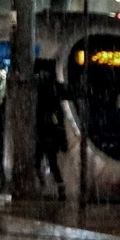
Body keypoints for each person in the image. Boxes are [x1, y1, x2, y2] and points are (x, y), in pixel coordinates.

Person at [35, 65, 67, 200]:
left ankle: (48, 186)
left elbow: (55, 120)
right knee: (50, 163)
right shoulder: (52, 98)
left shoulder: (43, 100)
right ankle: (56, 187)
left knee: (44, 162)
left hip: (45, 136)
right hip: (48, 136)